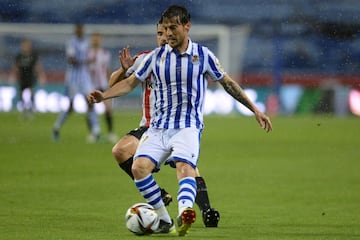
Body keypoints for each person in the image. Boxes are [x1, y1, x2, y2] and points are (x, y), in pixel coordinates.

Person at [87, 5, 272, 236]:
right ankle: (165, 222)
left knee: (185, 167)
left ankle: (186, 212)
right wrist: (103, 95)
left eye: (173, 28)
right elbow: (129, 82)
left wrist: (254, 109)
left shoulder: (203, 55)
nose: (168, 34)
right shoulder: (153, 58)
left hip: (187, 126)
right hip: (156, 128)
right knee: (138, 167)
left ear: (187, 26)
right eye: (164, 29)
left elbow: (228, 83)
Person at [109, 23, 220, 228]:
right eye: (159, 33)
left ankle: (206, 210)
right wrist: (123, 70)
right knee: (120, 150)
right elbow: (113, 83)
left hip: (178, 124)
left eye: (166, 33)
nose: (163, 37)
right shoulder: (146, 59)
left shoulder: (182, 61)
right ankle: (159, 196)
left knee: (187, 168)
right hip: (151, 126)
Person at [52, 23, 100, 143]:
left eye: (82, 30)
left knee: (90, 102)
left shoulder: (86, 43)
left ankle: (96, 130)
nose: (81, 32)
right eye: (79, 30)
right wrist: (85, 61)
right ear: (76, 31)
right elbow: (71, 60)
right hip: (73, 78)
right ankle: (56, 128)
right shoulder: (71, 42)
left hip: (84, 78)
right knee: (70, 106)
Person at [88, 32, 117, 143]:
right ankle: (93, 133)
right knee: (90, 108)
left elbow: (107, 69)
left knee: (108, 109)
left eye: (97, 39)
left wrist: (111, 83)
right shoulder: (87, 53)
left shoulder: (104, 53)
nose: (95, 40)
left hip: (102, 85)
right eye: (94, 38)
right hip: (90, 84)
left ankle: (110, 133)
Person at [9, 38, 46, 117]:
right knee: (21, 93)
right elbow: (16, 67)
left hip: (30, 77)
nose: (26, 47)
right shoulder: (19, 56)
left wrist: (41, 76)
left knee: (31, 92)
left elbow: (37, 67)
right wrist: (13, 76)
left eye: (27, 45)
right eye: (24, 45)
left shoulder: (33, 56)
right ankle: (23, 110)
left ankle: (31, 109)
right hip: (22, 77)